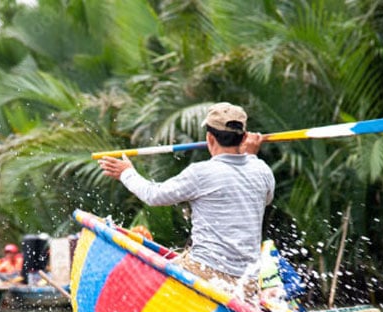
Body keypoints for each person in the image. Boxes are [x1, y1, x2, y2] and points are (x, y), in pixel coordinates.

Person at [98, 102, 275, 300]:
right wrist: (250, 156)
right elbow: (264, 199)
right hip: (247, 282)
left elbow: (153, 195)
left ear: (209, 137)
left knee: (136, 284)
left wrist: (126, 173)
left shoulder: (201, 173)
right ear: (244, 137)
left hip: (204, 272)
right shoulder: (262, 170)